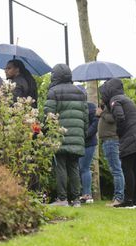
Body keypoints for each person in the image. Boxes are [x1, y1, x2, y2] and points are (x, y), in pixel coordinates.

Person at [99, 78, 136, 209]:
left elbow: (120, 118)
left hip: (130, 138)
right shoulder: (127, 99)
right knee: (134, 169)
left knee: (127, 169)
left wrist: (120, 132)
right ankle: (135, 202)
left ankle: (128, 201)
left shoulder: (115, 100)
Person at [44, 63, 88, 208]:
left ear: (55, 76)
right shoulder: (81, 92)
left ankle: (62, 199)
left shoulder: (53, 92)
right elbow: (85, 117)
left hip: (59, 135)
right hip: (77, 135)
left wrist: (46, 132)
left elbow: (48, 116)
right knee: (74, 166)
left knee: (60, 166)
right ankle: (76, 200)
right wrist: (82, 133)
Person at [96, 103, 125, 206]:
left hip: (111, 140)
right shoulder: (108, 106)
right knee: (116, 169)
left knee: (116, 170)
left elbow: (112, 119)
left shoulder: (112, 105)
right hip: (108, 140)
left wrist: (101, 113)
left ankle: (119, 198)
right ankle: (117, 198)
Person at [78, 100, 99, 204]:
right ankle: (83, 194)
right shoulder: (77, 107)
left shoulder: (90, 106)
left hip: (88, 143)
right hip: (79, 142)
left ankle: (87, 194)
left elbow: (95, 124)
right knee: (80, 169)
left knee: (84, 168)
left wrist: (85, 135)